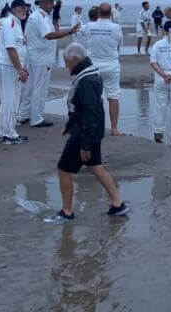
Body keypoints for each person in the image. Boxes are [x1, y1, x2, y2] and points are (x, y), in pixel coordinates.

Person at [49, 43, 127, 222]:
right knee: (96, 166)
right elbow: (84, 108)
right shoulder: (91, 73)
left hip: (85, 132)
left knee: (63, 169)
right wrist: (70, 124)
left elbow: (90, 112)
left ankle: (67, 211)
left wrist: (85, 144)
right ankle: (118, 204)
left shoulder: (87, 80)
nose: (66, 66)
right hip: (92, 130)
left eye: (67, 62)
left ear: (75, 59)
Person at [20, 0, 79, 129]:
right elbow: (49, 35)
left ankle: (23, 115)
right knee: (39, 89)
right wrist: (69, 31)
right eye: (51, 3)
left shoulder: (37, 15)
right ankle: (36, 118)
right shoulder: (40, 17)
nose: (53, 6)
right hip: (40, 58)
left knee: (31, 87)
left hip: (35, 57)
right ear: (44, 3)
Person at [82, 2, 124, 135]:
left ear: (98, 13)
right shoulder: (116, 28)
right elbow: (119, 42)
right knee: (113, 96)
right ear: (110, 14)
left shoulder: (89, 26)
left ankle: (93, 127)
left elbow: (80, 36)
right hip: (111, 66)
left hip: (93, 66)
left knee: (93, 97)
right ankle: (114, 128)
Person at [0, 0, 29, 144]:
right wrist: (20, 70)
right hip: (9, 67)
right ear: (14, 9)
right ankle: (9, 134)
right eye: (22, 7)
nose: (25, 10)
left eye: (26, 8)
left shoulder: (16, 23)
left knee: (8, 100)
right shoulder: (10, 23)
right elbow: (10, 48)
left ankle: (2, 131)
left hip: (10, 66)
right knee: (11, 100)